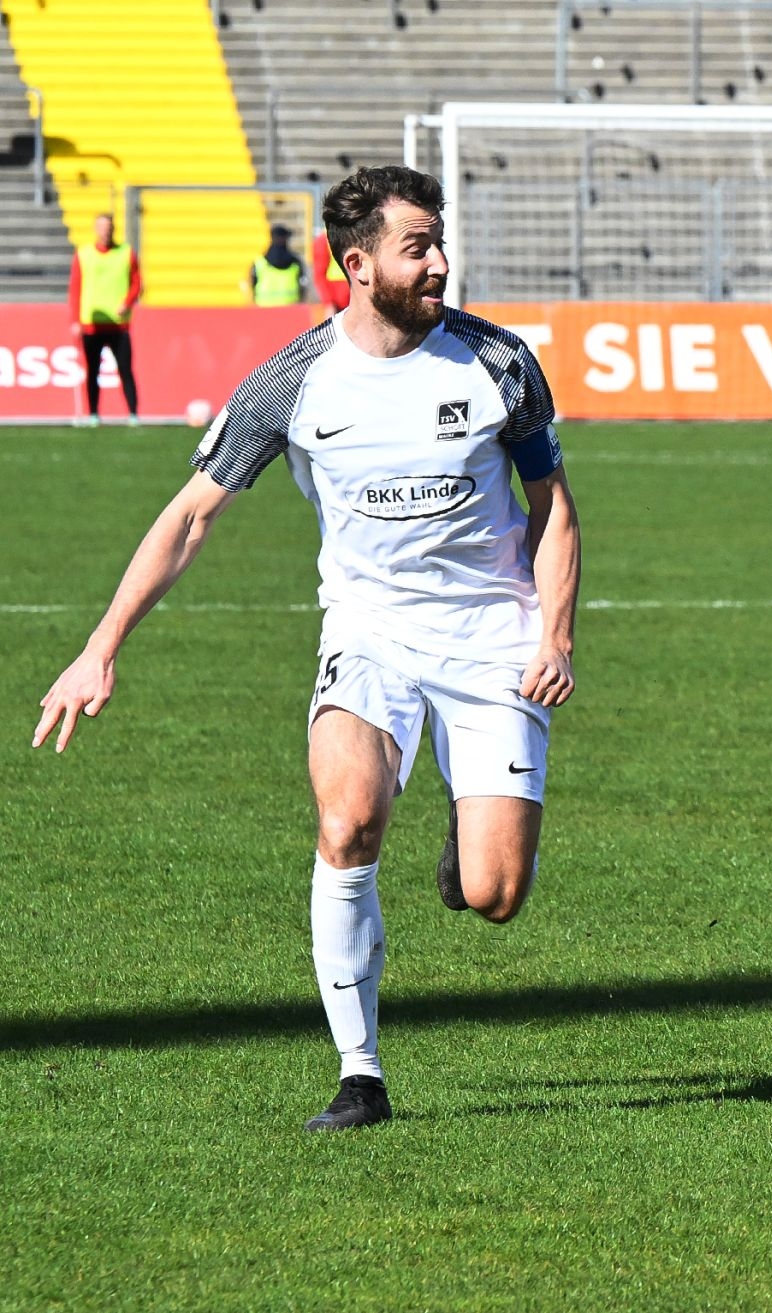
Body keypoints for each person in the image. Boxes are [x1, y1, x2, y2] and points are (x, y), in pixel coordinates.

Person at [33, 165, 581, 1133]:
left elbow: (553, 504)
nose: (442, 262)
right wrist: (100, 646)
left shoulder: (500, 363)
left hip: (490, 639)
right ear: (360, 263)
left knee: (497, 896)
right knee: (348, 824)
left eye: (441, 241)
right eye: (420, 247)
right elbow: (191, 518)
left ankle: (466, 831)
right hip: (366, 634)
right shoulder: (291, 384)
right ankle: (359, 1072)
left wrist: (556, 632)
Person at [69, 212, 141, 426]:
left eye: (108, 227)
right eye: (101, 227)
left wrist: (126, 303)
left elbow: (137, 283)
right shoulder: (84, 254)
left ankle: (133, 414)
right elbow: (75, 288)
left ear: (113, 229)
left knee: (125, 369)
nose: (105, 231)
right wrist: (75, 320)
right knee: (92, 371)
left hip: (119, 324)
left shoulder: (126, 253)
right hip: (91, 323)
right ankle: (93, 414)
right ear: (95, 229)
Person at [249, 224, 308, 305]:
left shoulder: (259, 262)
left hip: (264, 308)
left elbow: (251, 284)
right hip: (290, 308)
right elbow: (303, 284)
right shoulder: (296, 262)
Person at [313, 228, 351, 312]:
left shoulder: (356, 234)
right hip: (337, 304)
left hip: (356, 302)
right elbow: (319, 275)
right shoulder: (323, 240)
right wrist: (328, 304)